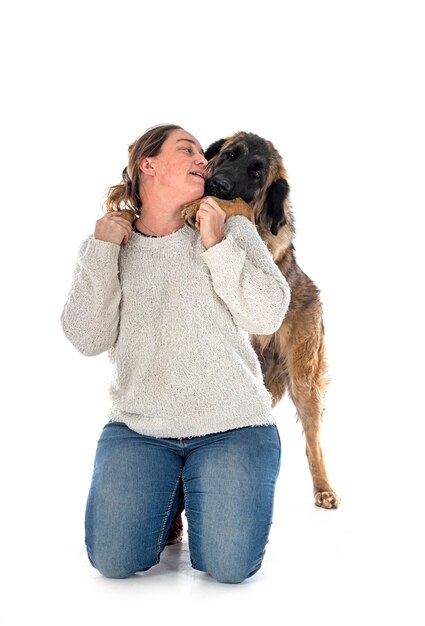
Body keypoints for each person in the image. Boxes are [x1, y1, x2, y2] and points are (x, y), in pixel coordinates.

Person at [61, 123, 291, 584]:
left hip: (233, 427)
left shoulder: (233, 229)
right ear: (148, 165)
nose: (203, 161)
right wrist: (104, 250)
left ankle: (193, 486)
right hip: (141, 429)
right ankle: (173, 490)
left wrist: (216, 243)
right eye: (187, 150)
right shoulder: (106, 246)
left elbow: (266, 316)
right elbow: (87, 338)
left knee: (228, 567)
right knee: (113, 561)